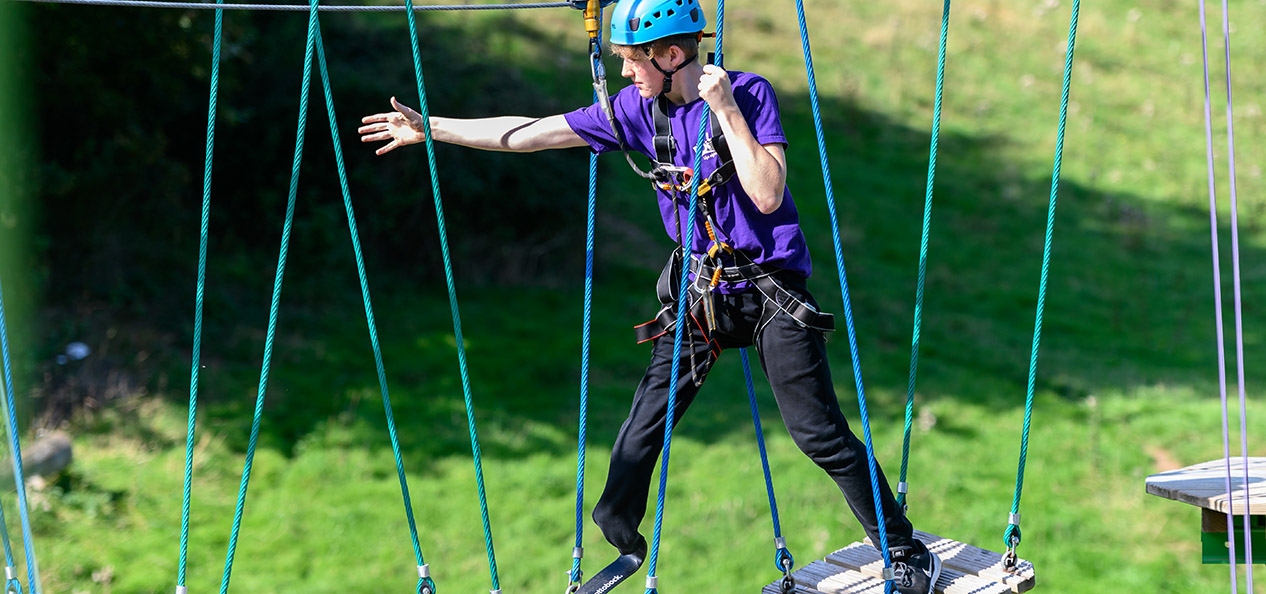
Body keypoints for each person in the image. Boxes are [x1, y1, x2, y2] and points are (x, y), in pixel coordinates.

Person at [358, 1, 941, 592]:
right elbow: (531, 134)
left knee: (818, 433)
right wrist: (429, 128)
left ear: (671, 55)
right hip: (703, 296)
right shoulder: (634, 112)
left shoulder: (749, 94)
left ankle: (904, 547)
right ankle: (622, 535)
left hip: (772, 296)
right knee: (641, 428)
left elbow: (767, 195)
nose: (626, 74)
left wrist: (726, 111)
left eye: (634, 61)